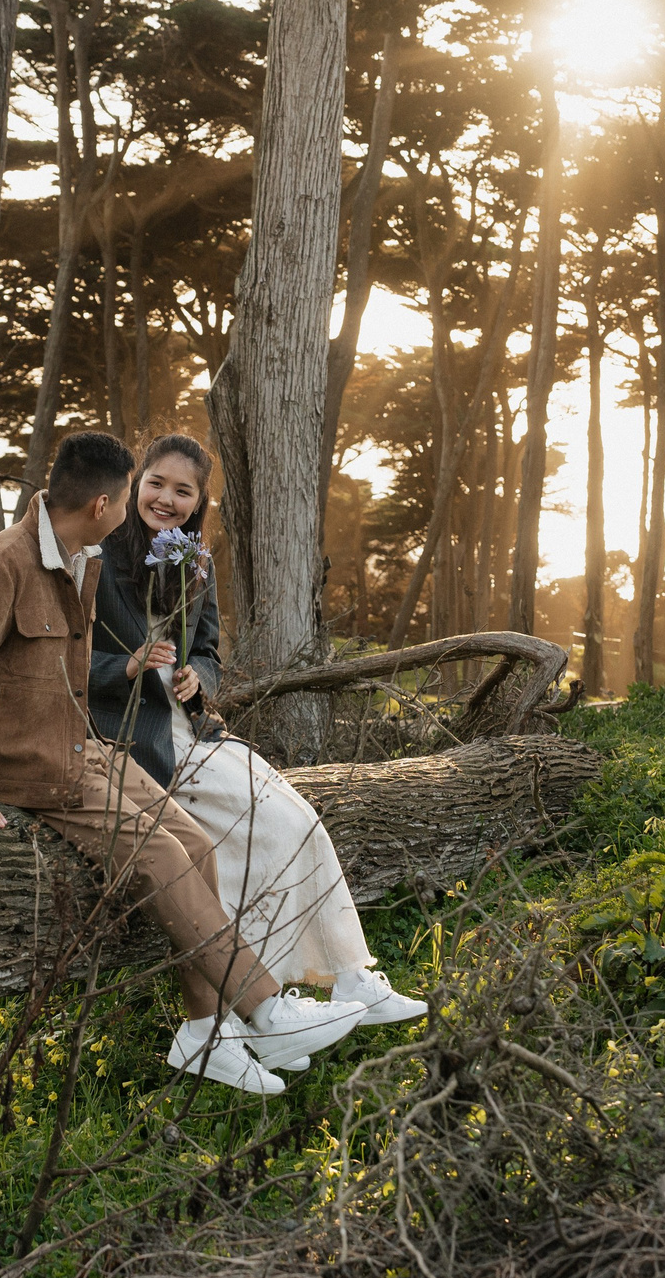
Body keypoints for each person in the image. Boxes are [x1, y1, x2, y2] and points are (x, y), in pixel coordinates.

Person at [0, 430, 367, 1096]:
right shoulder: (1, 565)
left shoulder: (80, 559)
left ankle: (205, 1037)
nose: (140, 505)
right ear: (102, 504)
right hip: (24, 765)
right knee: (157, 854)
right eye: (131, 492)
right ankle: (268, 1009)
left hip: (80, 745)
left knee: (195, 843)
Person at [88, 433, 426, 1027]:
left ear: (199, 502)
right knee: (256, 835)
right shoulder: (95, 557)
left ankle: (352, 977)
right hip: (135, 743)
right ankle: (261, 1003)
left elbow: (212, 649)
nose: (165, 499)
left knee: (297, 818)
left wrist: (201, 678)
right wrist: (127, 667)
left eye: (182, 491)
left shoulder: (195, 563)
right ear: (135, 483)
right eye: (156, 484)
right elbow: (65, 666)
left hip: (196, 732)